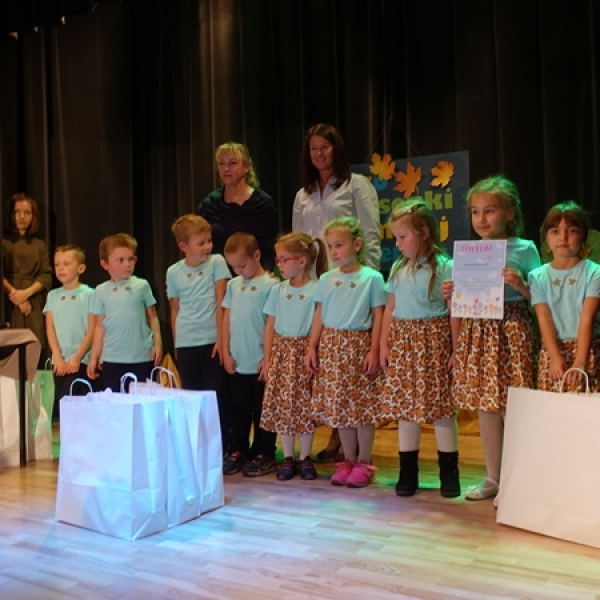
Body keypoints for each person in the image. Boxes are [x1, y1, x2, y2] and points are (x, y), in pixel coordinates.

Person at [443, 175, 540, 501]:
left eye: (490, 211)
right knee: (487, 407)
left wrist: (521, 285)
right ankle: (493, 477)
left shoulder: (525, 249)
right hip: (478, 333)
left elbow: (540, 301)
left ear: (509, 212)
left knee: (514, 406)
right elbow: (458, 309)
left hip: (512, 330)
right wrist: (451, 297)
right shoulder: (467, 254)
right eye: (475, 212)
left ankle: (519, 478)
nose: (481, 219)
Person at [292, 123, 381, 461]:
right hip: (319, 284)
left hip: (352, 282)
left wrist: (368, 277)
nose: (319, 153)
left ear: (336, 149)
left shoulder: (356, 184)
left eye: (325, 147)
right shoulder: (303, 194)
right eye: (313, 148)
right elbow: (299, 242)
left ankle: (346, 443)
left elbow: (370, 233)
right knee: (325, 363)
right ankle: (332, 431)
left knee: (350, 368)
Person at [380, 200, 459, 498]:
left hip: (433, 341)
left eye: (403, 236)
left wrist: (456, 349)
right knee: (405, 408)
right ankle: (407, 472)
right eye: (396, 237)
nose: (398, 243)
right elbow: (390, 307)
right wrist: (384, 343)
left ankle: (449, 473)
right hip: (403, 342)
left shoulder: (446, 266)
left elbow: (454, 311)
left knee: (441, 407)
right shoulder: (398, 267)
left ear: (424, 233)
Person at [306, 216, 386, 488]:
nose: (334, 251)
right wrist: (312, 345)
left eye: (339, 245)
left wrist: (375, 349)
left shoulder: (371, 278)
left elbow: (378, 314)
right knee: (339, 406)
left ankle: (365, 461)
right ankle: (348, 460)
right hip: (331, 346)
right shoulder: (326, 279)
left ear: (357, 244)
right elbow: (320, 312)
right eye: (330, 246)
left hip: (358, 345)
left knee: (361, 408)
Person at [259, 232, 328, 481]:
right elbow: (270, 326)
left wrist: (312, 348)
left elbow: (319, 322)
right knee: (284, 406)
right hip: (282, 352)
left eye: (283, 260)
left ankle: (305, 457)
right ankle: (288, 457)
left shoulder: (317, 289)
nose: (279, 264)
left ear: (301, 261)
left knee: (304, 406)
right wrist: (268, 358)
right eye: (277, 260)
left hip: (304, 352)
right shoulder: (278, 290)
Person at [167, 214, 231, 449]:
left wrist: (221, 339)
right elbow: (175, 309)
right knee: (191, 396)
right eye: (201, 243)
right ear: (183, 246)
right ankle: (197, 446)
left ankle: (220, 446)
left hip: (211, 339)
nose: (208, 246)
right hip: (187, 342)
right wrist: (177, 343)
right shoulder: (173, 272)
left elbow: (222, 302)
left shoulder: (217, 263)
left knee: (215, 395)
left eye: (209, 241)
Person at [221, 232, 278, 477]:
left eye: (242, 265)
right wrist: (225, 351)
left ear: (257, 255)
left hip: (260, 362)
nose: (238, 271)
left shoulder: (271, 285)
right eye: (233, 267)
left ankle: (264, 452)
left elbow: (273, 325)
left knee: (263, 410)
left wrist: (268, 357)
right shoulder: (233, 285)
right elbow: (226, 319)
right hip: (238, 359)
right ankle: (239, 449)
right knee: (239, 409)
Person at [529, 201, 600, 392]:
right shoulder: (537, 276)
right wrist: (554, 357)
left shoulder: (594, 272)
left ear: (584, 236)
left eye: (572, 231)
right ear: (546, 236)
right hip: (553, 349)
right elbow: (543, 317)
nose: (563, 237)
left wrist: (580, 361)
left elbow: (587, 317)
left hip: (586, 349)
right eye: (555, 231)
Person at [87, 233, 163, 391]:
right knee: (115, 401)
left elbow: (152, 317)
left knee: (141, 400)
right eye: (120, 260)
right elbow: (99, 326)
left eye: (131, 259)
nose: (127, 264)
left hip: (141, 357)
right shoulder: (100, 290)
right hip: (112, 358)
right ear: (105, 264)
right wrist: (94, 357)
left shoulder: (142, 285)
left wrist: (157, 344)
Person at [197, 142, 279, 272]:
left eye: (232, 163)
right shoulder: (210, 205)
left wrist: (263, 276)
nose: (226, 168)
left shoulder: (263, 204)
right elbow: (198, 243)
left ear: (247, 167)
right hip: (216, 277)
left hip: (252, 276)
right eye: (221, 163)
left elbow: (269, 248)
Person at [43, 245, 96, 419]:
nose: (60, 268)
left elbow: (93, 329)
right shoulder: (53, 295)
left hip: (80, 360)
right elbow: (50, 327)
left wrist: (77, 357)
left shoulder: (89, 294)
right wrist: (57, 356)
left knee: (75, 405)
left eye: (66, 264)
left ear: (81, 268)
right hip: (59, 361)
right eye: (57, 264)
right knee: (61, 404)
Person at [2, 193, 52, 351]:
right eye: (17, 212)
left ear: (33, 216)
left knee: (34, 344)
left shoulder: (39, 245)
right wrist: (16, 296)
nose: (22, 217)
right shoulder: (3, 242)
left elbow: (46, 275)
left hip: (33, 300)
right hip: (7, 300)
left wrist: (26, 293)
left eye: (27, 212)